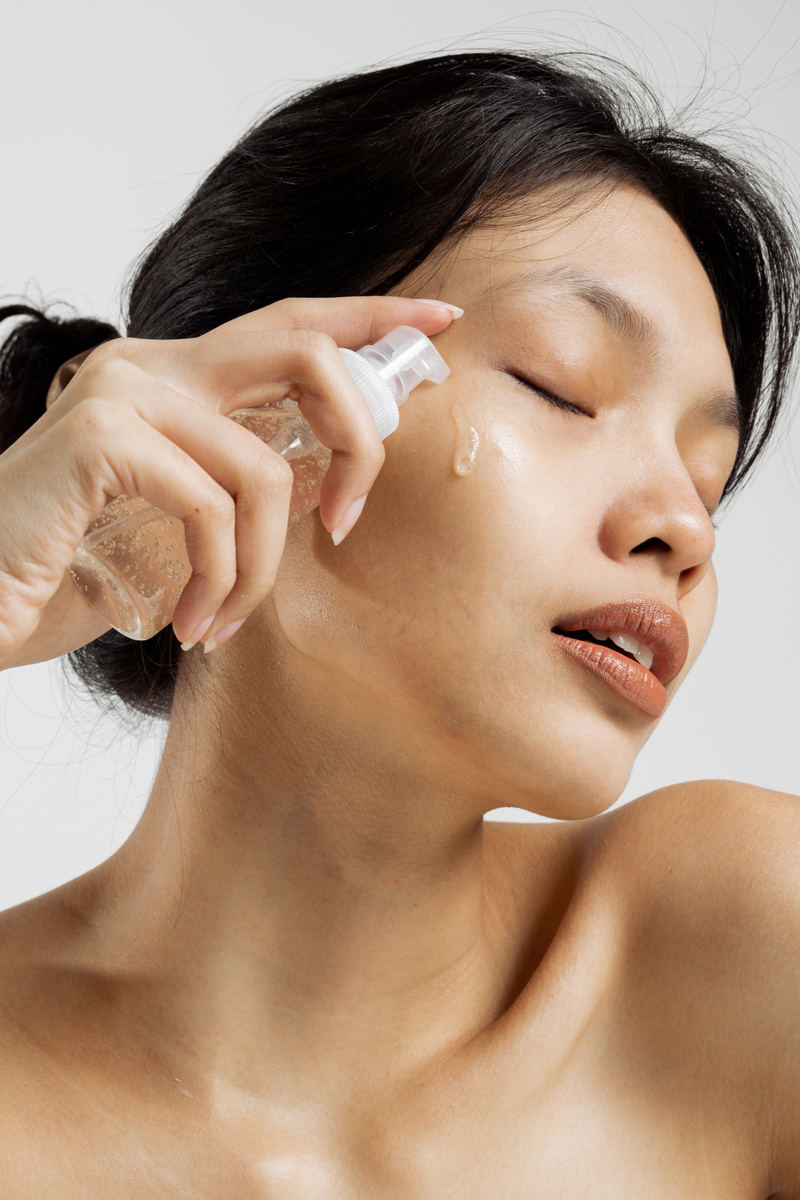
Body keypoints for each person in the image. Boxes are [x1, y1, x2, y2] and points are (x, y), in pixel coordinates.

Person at [0, 48, 798, 1195]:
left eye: (707, 478)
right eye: (559, 385)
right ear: (244, 413)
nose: (683, 527)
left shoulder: (737, 957)